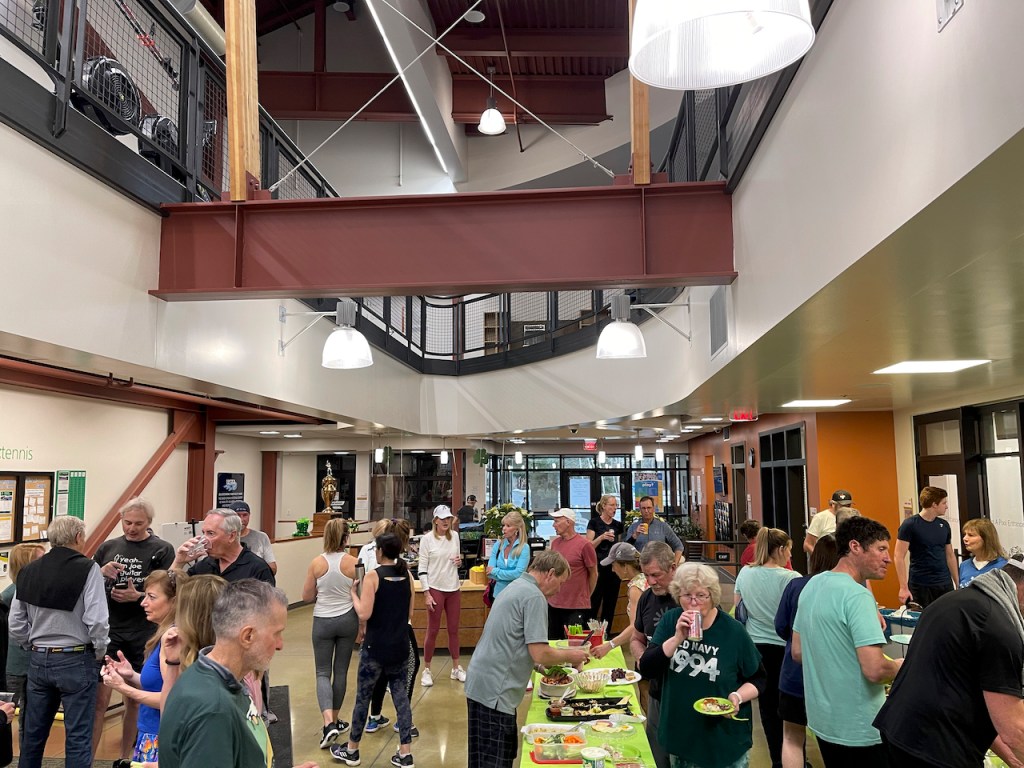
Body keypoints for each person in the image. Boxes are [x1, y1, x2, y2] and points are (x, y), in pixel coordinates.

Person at [874, 556, 1024, 767]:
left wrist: (1012, 758)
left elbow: (982, 706)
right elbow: (1015, 730)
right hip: (938, 749)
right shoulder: (999, 627)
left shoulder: (952, 602)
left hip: (899, 733)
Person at [160, 579, 316, 768]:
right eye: (276, 634)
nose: (280, 645)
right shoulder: (214, 710)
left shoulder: (214, 680)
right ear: (247, 636)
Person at [464, 550, 591, 768]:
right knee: (495, 761)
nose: (559, 590)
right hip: (496, 692)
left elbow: (515, 641)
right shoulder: (534, 597)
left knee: (482, 759)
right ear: (550, 573)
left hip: (482, 685)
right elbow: (540, 652)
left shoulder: (517, 586)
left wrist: (541, 668)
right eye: (561, 583)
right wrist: (574, 655)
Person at [792, 516, 902, 766]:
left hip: (823, 722)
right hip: (861, 729)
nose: (887, 558)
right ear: (855, 547)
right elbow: (875, 670)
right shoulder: (857, 596)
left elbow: (798, 652)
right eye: (881, 549)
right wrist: (900, 666)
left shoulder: (812, 585)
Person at [639, 563, 765, 768]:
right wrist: (677, 638)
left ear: (712, 596)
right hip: (681, 737)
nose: (693, 603)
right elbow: (647, 668)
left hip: (722, 740)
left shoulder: (733, 631)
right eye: (687, 595)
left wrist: (737, 697)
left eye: (701, 596)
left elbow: (759, 678)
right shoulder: (671, 621)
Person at [10, 515, 109, 768]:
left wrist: (30, 645)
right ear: (78, 537)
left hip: (38, 659)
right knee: (78, 737)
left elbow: (16, 622)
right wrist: (99, 650)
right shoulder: (88, 569)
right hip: (76, 658)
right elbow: (97, 620)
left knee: (32, 736)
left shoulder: (28, 571)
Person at [92, 496, 175, 764]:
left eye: (138, 524)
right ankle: (88, 760)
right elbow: (88, 587)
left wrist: (137, 596)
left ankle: (124, 758)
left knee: (135, 700)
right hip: (112, 629)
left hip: (143, 631)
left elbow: (167, 592)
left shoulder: (162, 549)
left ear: (149, 522)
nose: (131, 528)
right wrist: (99, 572)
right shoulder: (108, 547)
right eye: (127, 523)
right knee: (99, 701)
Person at [331, 533, 416, 768]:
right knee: (401, 699)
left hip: (375, 647)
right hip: (399, 646)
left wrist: (353, 594)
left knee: (363, 698)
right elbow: (410, 613)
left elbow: (364, 613)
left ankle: (352, 750)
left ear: (379, 551)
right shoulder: (407, 575)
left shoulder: (373, 576)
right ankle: (405, 753)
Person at [100, 569, 186, 765]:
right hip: (151, 732)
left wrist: (122, 687)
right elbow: (161, 685)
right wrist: (130, 674)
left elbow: (170, 699)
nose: (143, 602)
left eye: (152, 597)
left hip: (161, 736)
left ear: (174, 602)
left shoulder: (171, 639)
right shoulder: (165, 634)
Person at [734, 527, 801, 768]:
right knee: (790, 711)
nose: (790, 555)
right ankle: (795, 759)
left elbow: (739, 610)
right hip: (784, 649)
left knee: (767, 708)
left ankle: (776, 760)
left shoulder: (745, 573)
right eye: (789, 550)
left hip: (756, 648)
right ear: (780, 549)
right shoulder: (791, 579)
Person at [775, 534, 840, 768]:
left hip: (794, 676)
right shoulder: (847, 589)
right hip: (832, 678)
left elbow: (781, 626)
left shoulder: (796, 585)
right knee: (835, 742)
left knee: (792, 738)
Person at [301, 518, 359, 749]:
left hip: (323, 621)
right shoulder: (355, 563)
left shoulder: (316, 563)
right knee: (341, 671)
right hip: (348, 620)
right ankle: (335, 718)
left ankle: (328, 723)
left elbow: (306, 596)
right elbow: (362, 594)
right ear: (346, 538)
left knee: (322, 672)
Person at [362, 517, 420, 738]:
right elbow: (410, 610)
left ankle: (374, 717)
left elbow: (363, 599)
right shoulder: (402, 571)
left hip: (376, 630)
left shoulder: (369, 561)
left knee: (379, 673)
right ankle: (404, 721)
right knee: (408, 668)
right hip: (398, 630)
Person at [418, 504, 465, 685]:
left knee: (453, 629)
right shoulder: (427, 540)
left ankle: (456, 668)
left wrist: (459, 562)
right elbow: (422, 569)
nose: (446, 521)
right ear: (435, 520)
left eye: (448, 518)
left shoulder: (455, 537)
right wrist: (426, 593)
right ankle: (427, 670)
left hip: (453, 589)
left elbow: (457, 561)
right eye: (442, 518)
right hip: (435, 588)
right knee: (433, 630)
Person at [173, 508, 275, 585]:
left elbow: (270, 606)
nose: (204, 540)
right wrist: (179, 562)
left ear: (231, 536)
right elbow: (170, 591)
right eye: (204, 533)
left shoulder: (258, 569)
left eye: (210, 533)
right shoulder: (205, 565)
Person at [894, 486, 958, 608]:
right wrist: (903, 587)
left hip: (944, 583)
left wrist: (957, 582)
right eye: (944, 503)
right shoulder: (910, 525)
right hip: (920, 585)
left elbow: (950, 555)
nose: (946, 506)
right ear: (934, 504)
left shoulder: (944, 525)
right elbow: (898, 556)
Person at [1, 543, 44, 710]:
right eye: (41, 560)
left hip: (33, 663)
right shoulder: (9, 595)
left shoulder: (39, 590)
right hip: (14, 665)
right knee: (9, 709)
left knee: (31, 712)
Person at [547, 508, 598, 639]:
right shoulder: (555, 543)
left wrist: (586, 595)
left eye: (557, 521)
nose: (553, 525)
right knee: (553, 641)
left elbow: (593, 573)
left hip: (576, 606)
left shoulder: (585, 545)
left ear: (568, 522)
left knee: (575, 643)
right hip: (554, 603)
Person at [592, 542, 645, 659]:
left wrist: (609, 645)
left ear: (625, 566)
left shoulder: (636, 588)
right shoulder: (645, 579)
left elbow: (635, 627)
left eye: (613, 565)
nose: (612, 570)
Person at [587, 494, 625, 627]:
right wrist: (601, 537)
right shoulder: (594, 523)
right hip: (597, 568)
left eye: (616, 505)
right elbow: (588, 546)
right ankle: (590, 632)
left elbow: (620, 546)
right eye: (612, 505)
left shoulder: (618, 525)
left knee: (610, 604)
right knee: (594, 602)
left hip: (614, 569)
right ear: (604, 506)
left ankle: (606, 633)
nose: (614, 508)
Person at [625, 496, 683, 566]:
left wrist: (675, 564)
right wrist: (635, 535)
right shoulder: (633, 527)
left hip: (660, 567)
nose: (646, 511)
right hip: (639, 567)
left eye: (649, 508)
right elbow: (626, 549)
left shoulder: (663, 526)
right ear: (640, 510)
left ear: (653, 508)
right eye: (643, 508)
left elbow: (679, 546)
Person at [486, 508, 530, 599]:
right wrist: (509, 575)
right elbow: (489, 573)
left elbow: (518, 574)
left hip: (516, 595)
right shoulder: (498, 545)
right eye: (504, 525)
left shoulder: (524, 548)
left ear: (517, 529)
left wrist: (496, 571)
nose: (504, 528)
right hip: (498, 595)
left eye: (508, 526)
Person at [231, 500, 278, 576]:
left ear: (249, 516)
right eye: (238, 515)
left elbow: (272, 568)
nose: (242, 519)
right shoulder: (225, 538)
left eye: (245, 515)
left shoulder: (261, 537)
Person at [959, 517, 1008, 587]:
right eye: (965, 534)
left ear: (986, 538)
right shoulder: (964, 566)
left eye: (971, 535)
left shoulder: (1004, 565)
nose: (965, 538)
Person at [803, 489, 853, 554]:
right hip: (826, 556)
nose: (845, 508)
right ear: (833, 504)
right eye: (842, 506)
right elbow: (807, 544)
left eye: (848, 505)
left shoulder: (852, 517)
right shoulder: (820, 517)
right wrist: (819, 557)